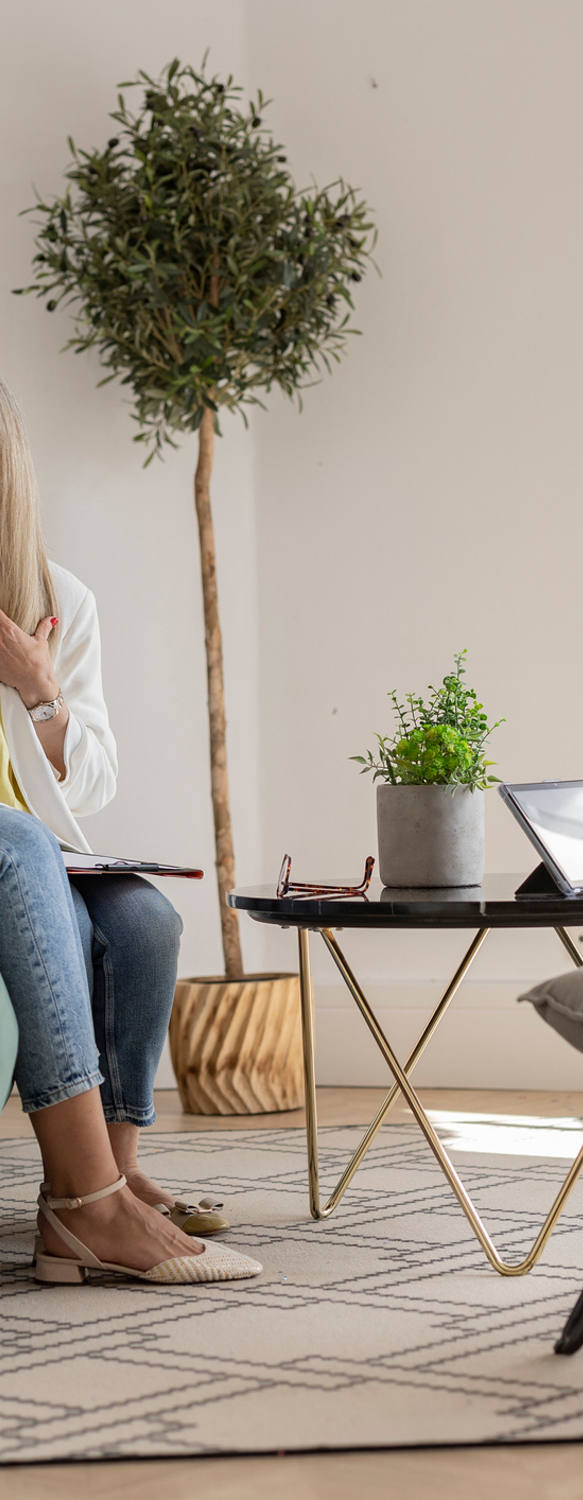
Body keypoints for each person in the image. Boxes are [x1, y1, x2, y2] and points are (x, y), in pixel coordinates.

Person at [0, 378, 261, 1285]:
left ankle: (118, 1172)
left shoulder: (55, 598)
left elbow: (97, 780)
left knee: (146, 920)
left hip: (34, 850)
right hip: (13, 852)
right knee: (24, 851)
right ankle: (87, 1201)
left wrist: (42, 692)